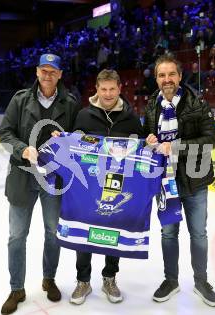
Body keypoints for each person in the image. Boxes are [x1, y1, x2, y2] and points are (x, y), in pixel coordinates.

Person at [0, 53, 81, 315]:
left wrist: (65, 137)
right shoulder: (20, 99)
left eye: (52, 71)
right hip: (23, 176)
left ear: (60, 74)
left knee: (52, 233)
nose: (47, 75)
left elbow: (78, 137)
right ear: (37, 72)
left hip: (53, 179)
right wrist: (23, 149)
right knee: (16, 236)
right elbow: (5, 133)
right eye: (43, 70)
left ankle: (49, 279)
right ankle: (16, 288)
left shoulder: (70, 102)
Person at [55, 69, 143, 305]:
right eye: (103, 89)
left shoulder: (131, 118)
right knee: (85, 231)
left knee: (112, 230)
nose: (107, 93)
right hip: (87, 187)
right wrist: (61, 140)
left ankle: (109, 278)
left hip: (116, 185)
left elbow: (140, 154)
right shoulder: (83, 115)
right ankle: (83, 280)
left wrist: (151, 144)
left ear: (120, 88)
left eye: (112, 89)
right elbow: (74, 148)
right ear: (96, 89)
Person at [143, 54, 215, 306]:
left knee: (198, 234)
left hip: (195, 182)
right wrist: (150, 141)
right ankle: (171, 280)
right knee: (168, 234)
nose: (167, 80)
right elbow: (148, 137)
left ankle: (201, 281)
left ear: (179, 76)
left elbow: (210, 140)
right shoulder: (151, 106)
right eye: (162, 75)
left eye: (171, 74)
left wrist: (175, 147)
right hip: (166, 183)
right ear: (156, 79)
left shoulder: (197, 102)